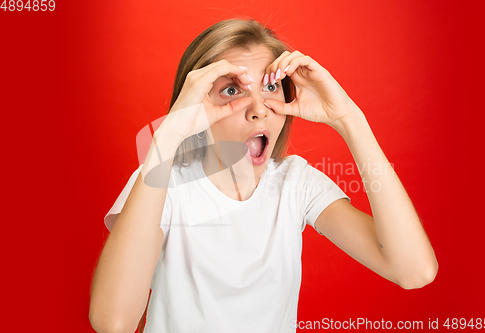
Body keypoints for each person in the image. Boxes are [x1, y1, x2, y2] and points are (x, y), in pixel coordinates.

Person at [89, 18, 438, 333]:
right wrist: (168, 136)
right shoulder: (161, 183)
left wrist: (349, 119)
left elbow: (413, 271)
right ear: (195, 104)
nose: (259, 109)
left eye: (270, 87)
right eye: (231, 90)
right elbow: (113, 322)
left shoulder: (296, 184)